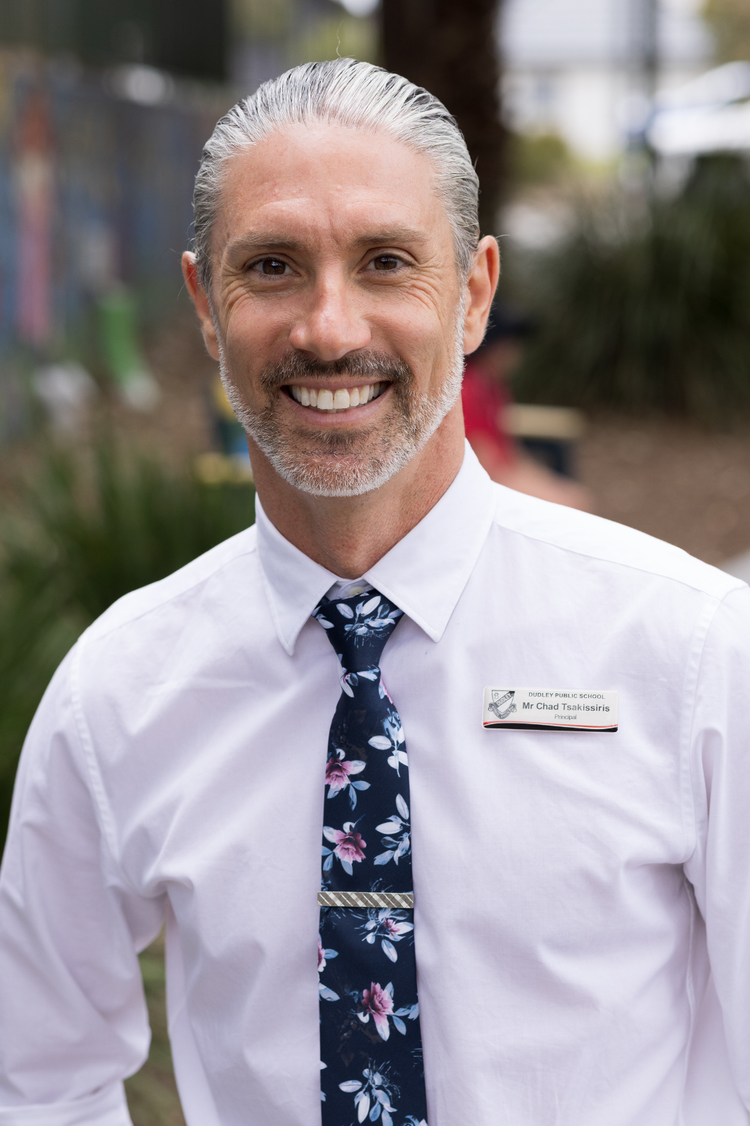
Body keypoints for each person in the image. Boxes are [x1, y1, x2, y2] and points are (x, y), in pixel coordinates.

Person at [1, 58, 749, 1126]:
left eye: (387, 261)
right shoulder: (118, 694)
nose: (330, 328)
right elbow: (37, 1072)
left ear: (477, 293)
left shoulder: (691, 655)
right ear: (206, 307)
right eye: (272, 266)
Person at [462, 303, 593, 510]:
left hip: (500, 473)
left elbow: (509, 452)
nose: (516, 353)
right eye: (510, 344)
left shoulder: (493, 385)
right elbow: (481, 463)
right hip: (482, 485)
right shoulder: (468, 387)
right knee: (568, 505)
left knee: (573, 496)